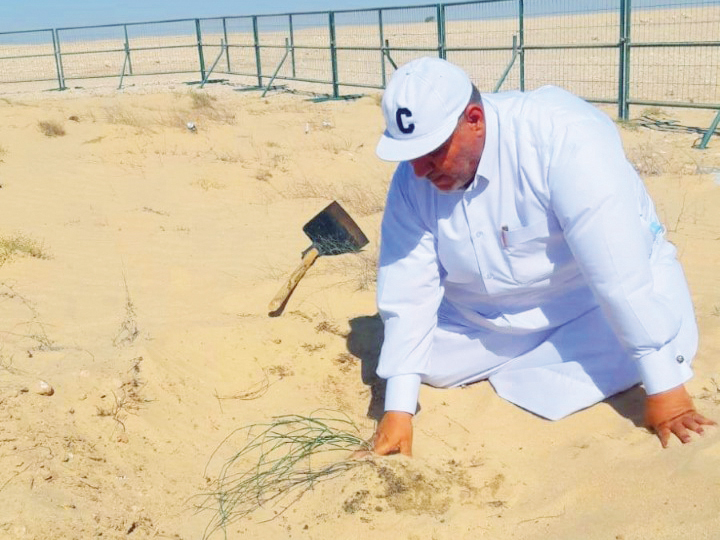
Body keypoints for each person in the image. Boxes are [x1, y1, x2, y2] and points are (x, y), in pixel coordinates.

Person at [371, 56, 715, 455]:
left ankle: (584, 353)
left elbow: (615, 267)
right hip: (489, 317)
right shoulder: (412, 178)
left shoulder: (563, 136)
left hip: (590, 298)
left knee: (661, 342)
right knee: (425, 366)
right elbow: (409, 287)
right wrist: (397, 410)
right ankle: (541, 356)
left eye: (432, 151)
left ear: (475, 120)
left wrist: (666, 392)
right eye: (409, 154)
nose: (418, 170)